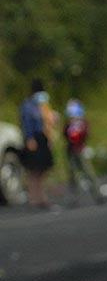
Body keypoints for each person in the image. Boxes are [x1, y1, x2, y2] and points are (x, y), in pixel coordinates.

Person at [19, 79, 56, 209]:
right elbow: (26, 123)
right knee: (34, 169)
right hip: (34, 139)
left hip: (44, 138)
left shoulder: (44, 105)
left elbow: (49, 122)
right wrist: (29, 139)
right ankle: (34, 198)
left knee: (43, 169)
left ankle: (42, 197)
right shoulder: (27, 105)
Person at [63, 99, 105, 205]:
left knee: (88, 173)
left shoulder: (83, 123)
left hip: (80, 150)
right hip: (71, 151)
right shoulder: (68, 124)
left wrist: (78, 130)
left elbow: (86, 135)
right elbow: (65, 135)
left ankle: (98, 194)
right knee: (72, 175)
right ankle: (73, 198)